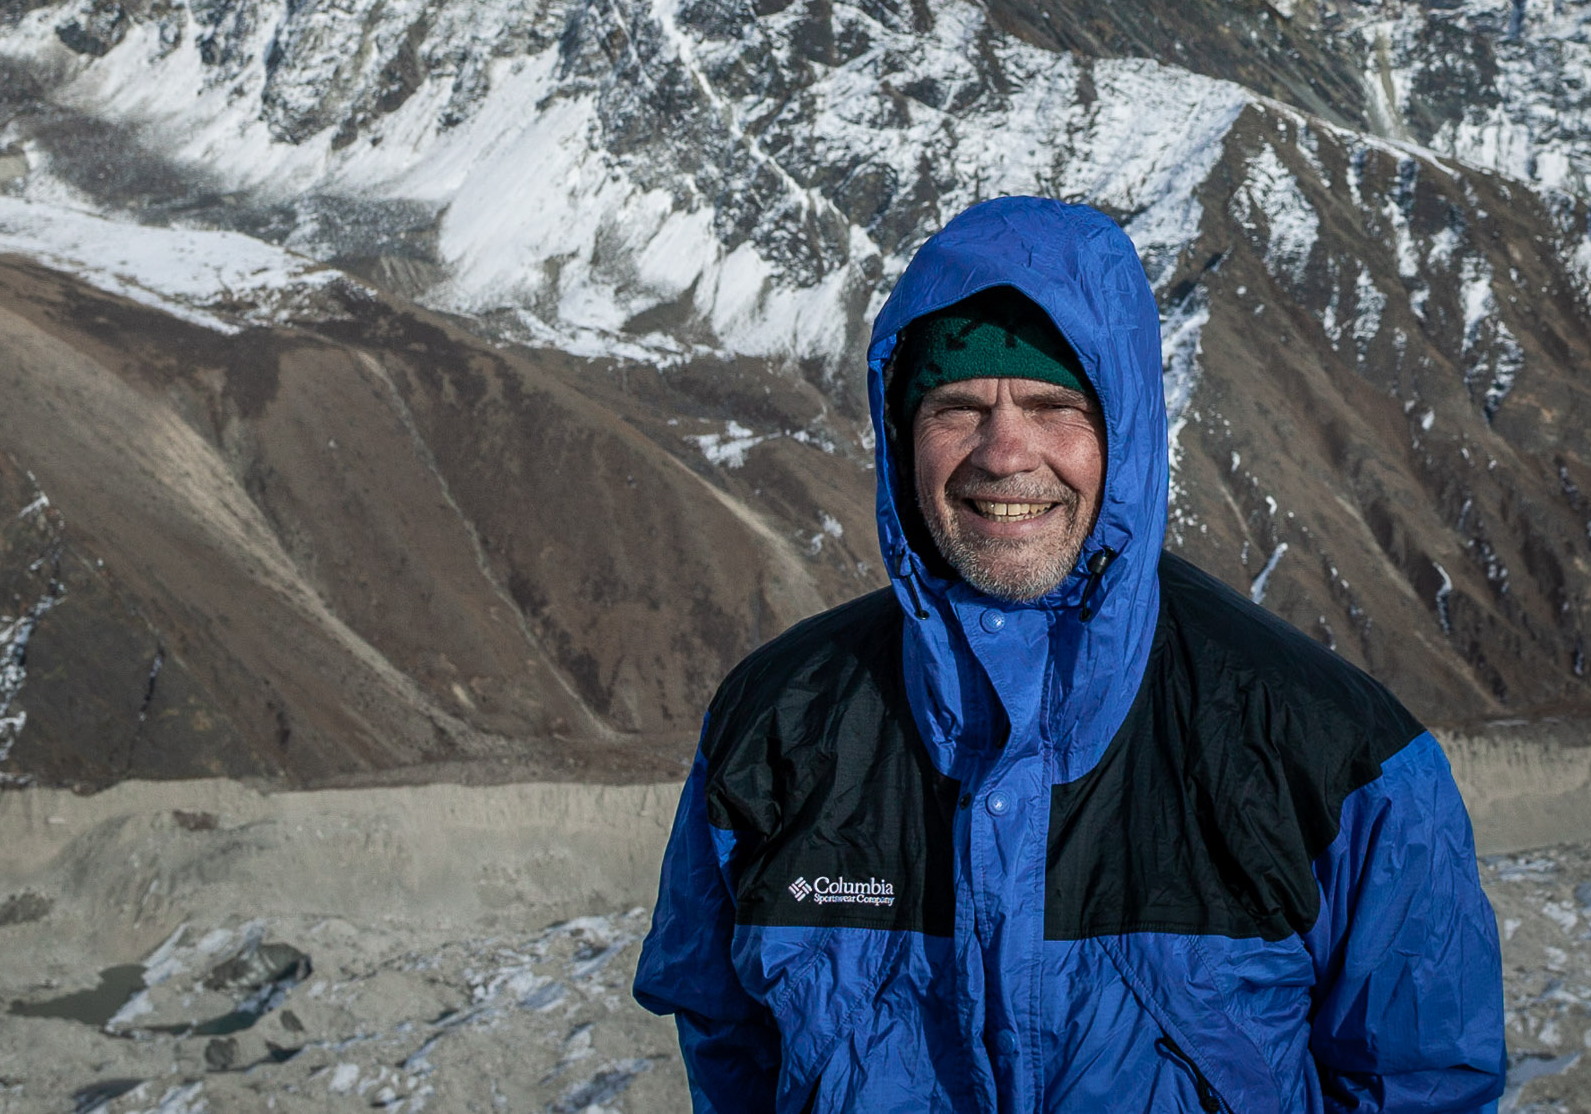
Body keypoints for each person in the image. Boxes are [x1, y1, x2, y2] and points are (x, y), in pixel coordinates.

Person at [635, 195, 1506, 1113]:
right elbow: (728, 1045)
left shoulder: (1340, 760)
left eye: (1054, 406)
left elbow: (1420, 1083)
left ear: (1123, 432)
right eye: (958, 406)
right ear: (901, 437)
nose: (1005, 452)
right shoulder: (773, 727)